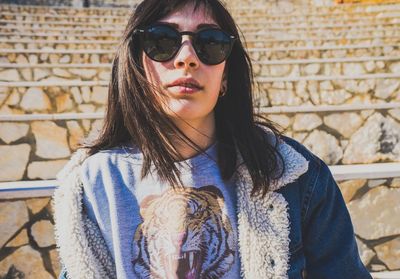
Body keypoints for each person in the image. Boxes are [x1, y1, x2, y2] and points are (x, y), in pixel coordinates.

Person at [53, 0, 372, 278]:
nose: (187, 58)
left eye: (211, 43)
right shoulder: (92, 184)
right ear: (136, 65)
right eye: (162, 41)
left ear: (226, 77)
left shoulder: (295, 176)